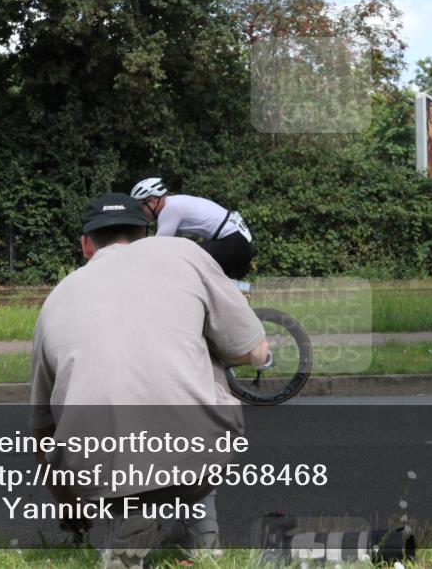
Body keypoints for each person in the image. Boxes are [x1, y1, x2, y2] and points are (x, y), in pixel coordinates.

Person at [28, 191, 269, 567]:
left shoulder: (55, 300)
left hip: (98, 468)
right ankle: (201, 534)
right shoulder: (183, 253)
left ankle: (133, 513)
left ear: (86, 245)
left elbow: (42, 431)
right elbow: (254, 351)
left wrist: (72, 508)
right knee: (198, 356)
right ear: (144, 233)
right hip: (196, 454)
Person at [129, 178, 255, 280]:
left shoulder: (170, 209)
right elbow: (172, 246)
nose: (140, 212)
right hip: (238, 241)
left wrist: (134, 255)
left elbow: (157, 246)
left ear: (153, 200)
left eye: (140, 207)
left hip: (233, 242)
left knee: (188, 262)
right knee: (182, 259)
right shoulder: (175, 203)